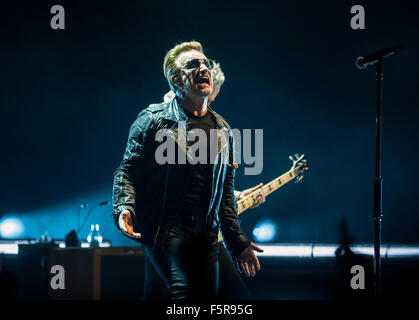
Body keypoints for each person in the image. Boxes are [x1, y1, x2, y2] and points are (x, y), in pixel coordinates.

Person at [112, 41, 263, 300]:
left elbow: (224, 198)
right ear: (176, 80)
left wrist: (237, 243)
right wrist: (124, 207)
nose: (204, 68)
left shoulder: (223, 130)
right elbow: (126, 171)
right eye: (193, 65)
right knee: (187, 295)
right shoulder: (152, 120)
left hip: (205, 236)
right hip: (165, 231)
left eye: (205, 63)